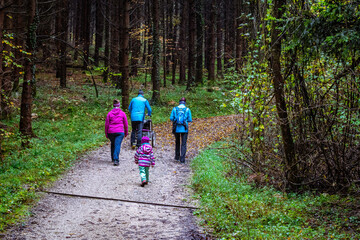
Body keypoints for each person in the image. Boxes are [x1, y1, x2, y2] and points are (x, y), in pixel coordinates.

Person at [105, 99, 129, 166]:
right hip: (119, 131)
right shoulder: (122, 113)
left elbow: (106, 124)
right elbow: (125, 124)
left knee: (113, 144)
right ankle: (116, 160)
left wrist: (106, 133)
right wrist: (126, 132)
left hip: (111, 132)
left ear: (113, 105)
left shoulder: (109, 113)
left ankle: (113, 158)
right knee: (117, 144)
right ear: (119, 105)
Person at [170, 97, 192, 163]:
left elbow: (171, 118)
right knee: (183, 144)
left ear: (179, 102)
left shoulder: (174, 109)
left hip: (176, 128)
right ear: (185, 102)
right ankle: (182, 159)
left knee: (177, 142)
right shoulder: (187, 109)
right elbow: (190, 119)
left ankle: (177, 157)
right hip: (184, 128)